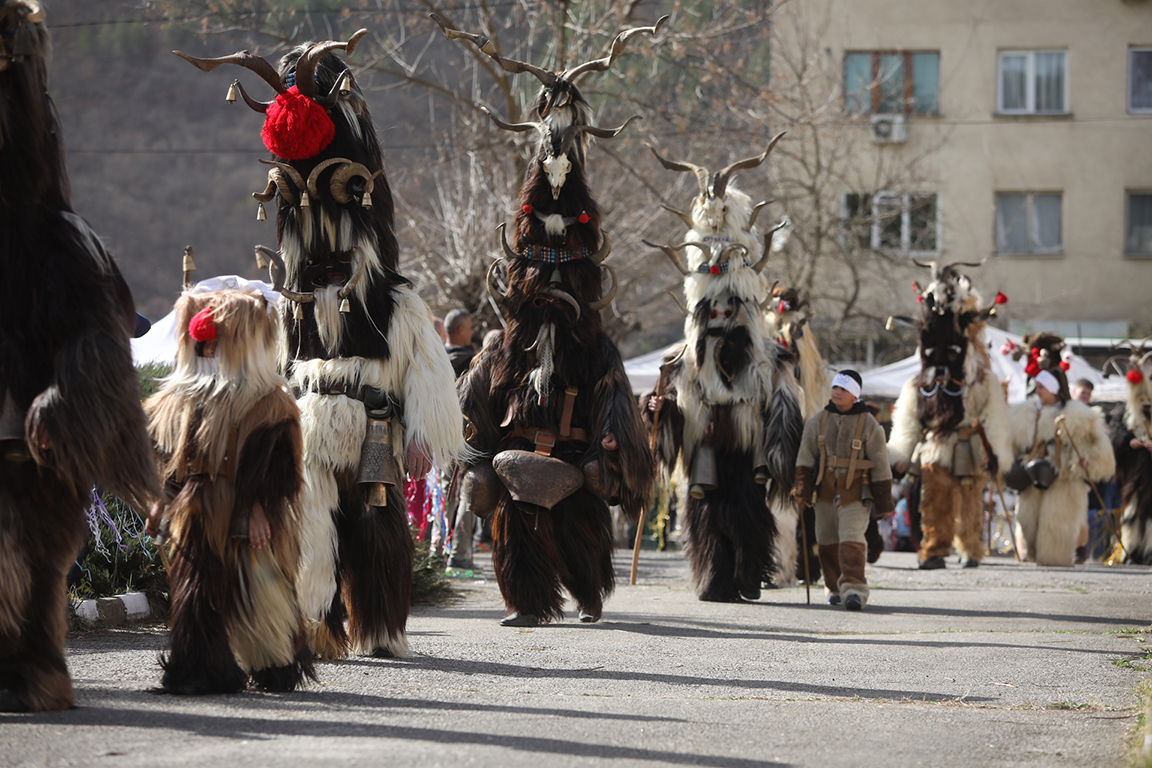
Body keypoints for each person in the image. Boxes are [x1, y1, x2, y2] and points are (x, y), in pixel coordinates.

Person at [792, 371, 894, 610]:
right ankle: (834, 587)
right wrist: (801, 488)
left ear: (854, 395)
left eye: (843, 389)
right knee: (826, 541)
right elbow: (804, 457)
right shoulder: (817, 421)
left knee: (852, 539)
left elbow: (881, 463)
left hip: (857, 492)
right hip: (824, 489)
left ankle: (855, 590)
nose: (836, 392)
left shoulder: (870, 424)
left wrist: (884, 502)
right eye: (835, 387)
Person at [1007, 362, 1114, 566]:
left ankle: (1055, 566)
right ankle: (1033, 558)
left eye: (1042, 387)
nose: (1037, 390)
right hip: (1032, 476)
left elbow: (1094, 445)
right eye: (1036, 386)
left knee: (1056, 525)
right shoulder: (1024, 413)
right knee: (1029, 523)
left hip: (1064, 477)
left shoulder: (1077, 415)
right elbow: (1012, 444)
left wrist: (1085, 459)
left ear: (1054, 389)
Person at [445, 309, 476, 378]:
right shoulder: (472, 362)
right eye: (470, 328)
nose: (472, 332)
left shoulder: (436, 357)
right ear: (461, 330)